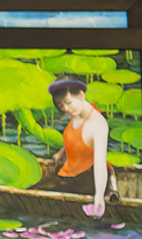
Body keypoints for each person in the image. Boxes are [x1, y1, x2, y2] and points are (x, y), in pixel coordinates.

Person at [46, 77, 115, 218]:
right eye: (61, 106)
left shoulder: (98, 124)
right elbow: (77, 140)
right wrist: (61, 153)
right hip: (70, 173)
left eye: (68, 103)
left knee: (43, 192)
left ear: (81, 95)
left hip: (87, 179)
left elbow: (100, 164)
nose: (66, 109)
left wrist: (99, 196)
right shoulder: (77, 114)